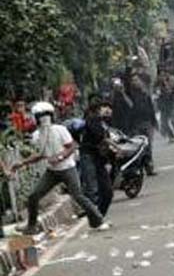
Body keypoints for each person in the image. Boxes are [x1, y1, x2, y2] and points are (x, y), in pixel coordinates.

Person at [7, 102, 104, 234]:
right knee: (33, 196)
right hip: (52, 171)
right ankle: (31, 225)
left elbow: (72, 146)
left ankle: (97, 219)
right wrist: (23, 163)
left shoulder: (60, 130)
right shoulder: (37, 135)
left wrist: (59, 157)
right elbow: (41, 154)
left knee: (78, 195)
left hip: (67, 168)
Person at [78, 97, 115, 218]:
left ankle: (99, 217)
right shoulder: (92, 120)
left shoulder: (104, 122)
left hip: (99, 159)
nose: (108, 110)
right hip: (88, 156)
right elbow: (100, 136)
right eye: (105, 108)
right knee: (92, 189)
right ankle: (93, 215)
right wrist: (116, 147)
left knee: (108, 192)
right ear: (98, 109)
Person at [127, 76, 158, 176]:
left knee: (148, 146)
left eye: (137, 80)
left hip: (147, 122)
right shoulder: (129, 95)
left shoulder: (145, 94)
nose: (135, 82)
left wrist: (154, 122)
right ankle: (138, 168)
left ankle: (149, 167)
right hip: (135, 124)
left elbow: (151, 108)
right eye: (133, 80)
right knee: (138, 146)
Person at [157, 70, 174, 144]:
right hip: (163, 104)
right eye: (161, 75)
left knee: (173, 120)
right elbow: (156, 93)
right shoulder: (158, 84)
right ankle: (171, 137)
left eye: (163, 75)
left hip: (171, 102)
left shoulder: (171, 79)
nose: (162, 76)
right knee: (164, 122)